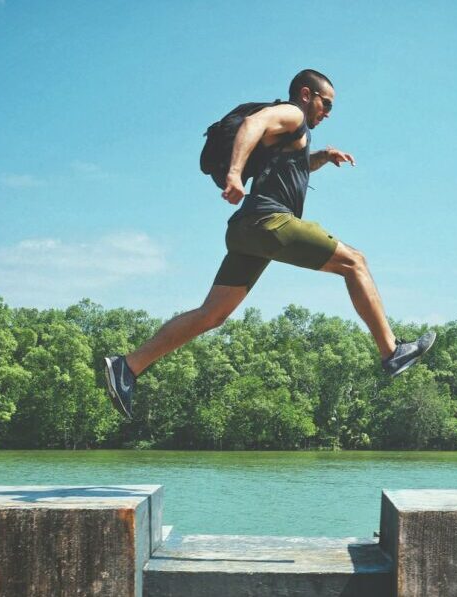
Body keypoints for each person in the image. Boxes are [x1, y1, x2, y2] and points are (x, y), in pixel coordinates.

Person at [104, 69, 435, 419]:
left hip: (246, 231)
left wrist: (320, 157)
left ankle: (128, 367)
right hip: (268, 222)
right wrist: (234, 174)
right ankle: (392, 351)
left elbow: (289, 167)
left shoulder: (290, 136)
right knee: (355, 262)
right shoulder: (291, 113)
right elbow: (253, 124)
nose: (328, 113)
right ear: (306, 95)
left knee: (211, 314)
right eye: (326, 104)